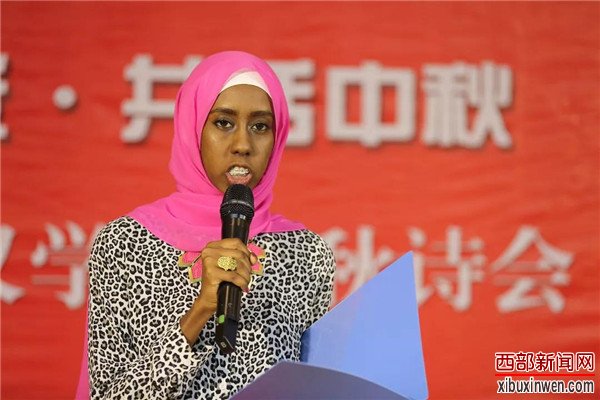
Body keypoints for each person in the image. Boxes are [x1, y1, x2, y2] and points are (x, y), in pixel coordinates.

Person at [87, 51, 335, 399]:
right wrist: (200, 311)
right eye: (223, 123)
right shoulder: (124, 244)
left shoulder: (307, 255)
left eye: (260, 127)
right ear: (193, 128)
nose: (243, 145)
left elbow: (314, 388)